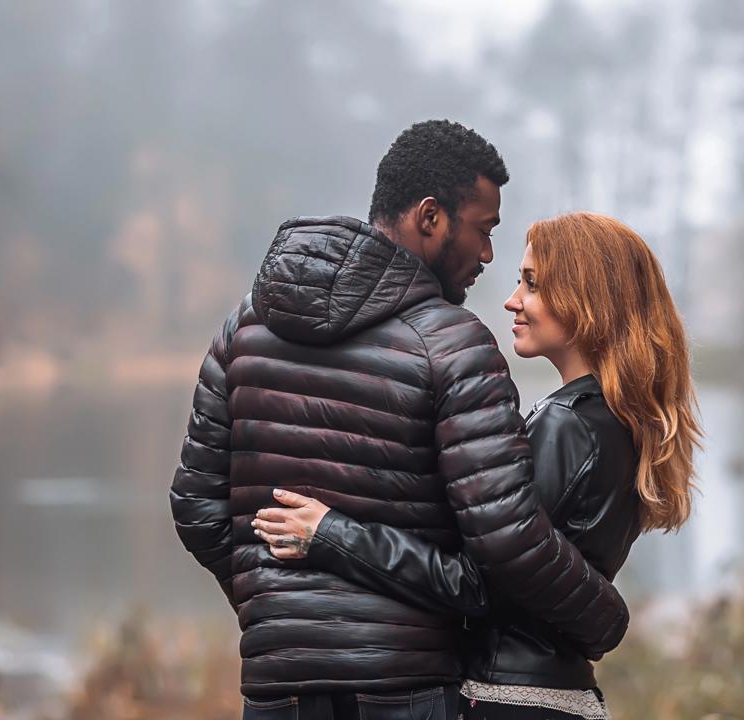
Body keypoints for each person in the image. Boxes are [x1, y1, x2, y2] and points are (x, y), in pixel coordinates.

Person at [169, 121, 629, 720]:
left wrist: (276, 607)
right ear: (432, 217)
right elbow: (504, 542)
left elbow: (195, 507)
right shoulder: (456, 345)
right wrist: (606, 617)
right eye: (482, 231)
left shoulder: (244, 329)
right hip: (406, 688)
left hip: (275, 688)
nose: (487, 255)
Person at [253, 212, 702, 719]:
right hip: (558, 697)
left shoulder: (566, 425)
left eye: (532, 284)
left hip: (507, 699)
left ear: (588, 301)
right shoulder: (616, 423)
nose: (513, 300)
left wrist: (332, 534)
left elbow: (477, 582)